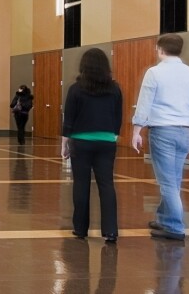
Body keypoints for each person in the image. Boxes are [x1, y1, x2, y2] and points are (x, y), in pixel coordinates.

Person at [132, 34, 189, 241]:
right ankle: (165, 217)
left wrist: (137, 130)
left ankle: (175, 226)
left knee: (167, 182)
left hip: (163, 130)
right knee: (174, 179)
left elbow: (145, 103)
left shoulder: (154, 73)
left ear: (159, 49)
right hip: (184, 130)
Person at [61, 48, 123, 243]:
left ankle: (80, 229)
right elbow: (117, 116)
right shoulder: (114, 89)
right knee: (106, 184)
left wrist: (64, 143)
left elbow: (69, 119)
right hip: (106, 141)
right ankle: (111, 231)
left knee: (81, 183)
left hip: (81, 142)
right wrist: (113, 135)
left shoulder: (75, 89)